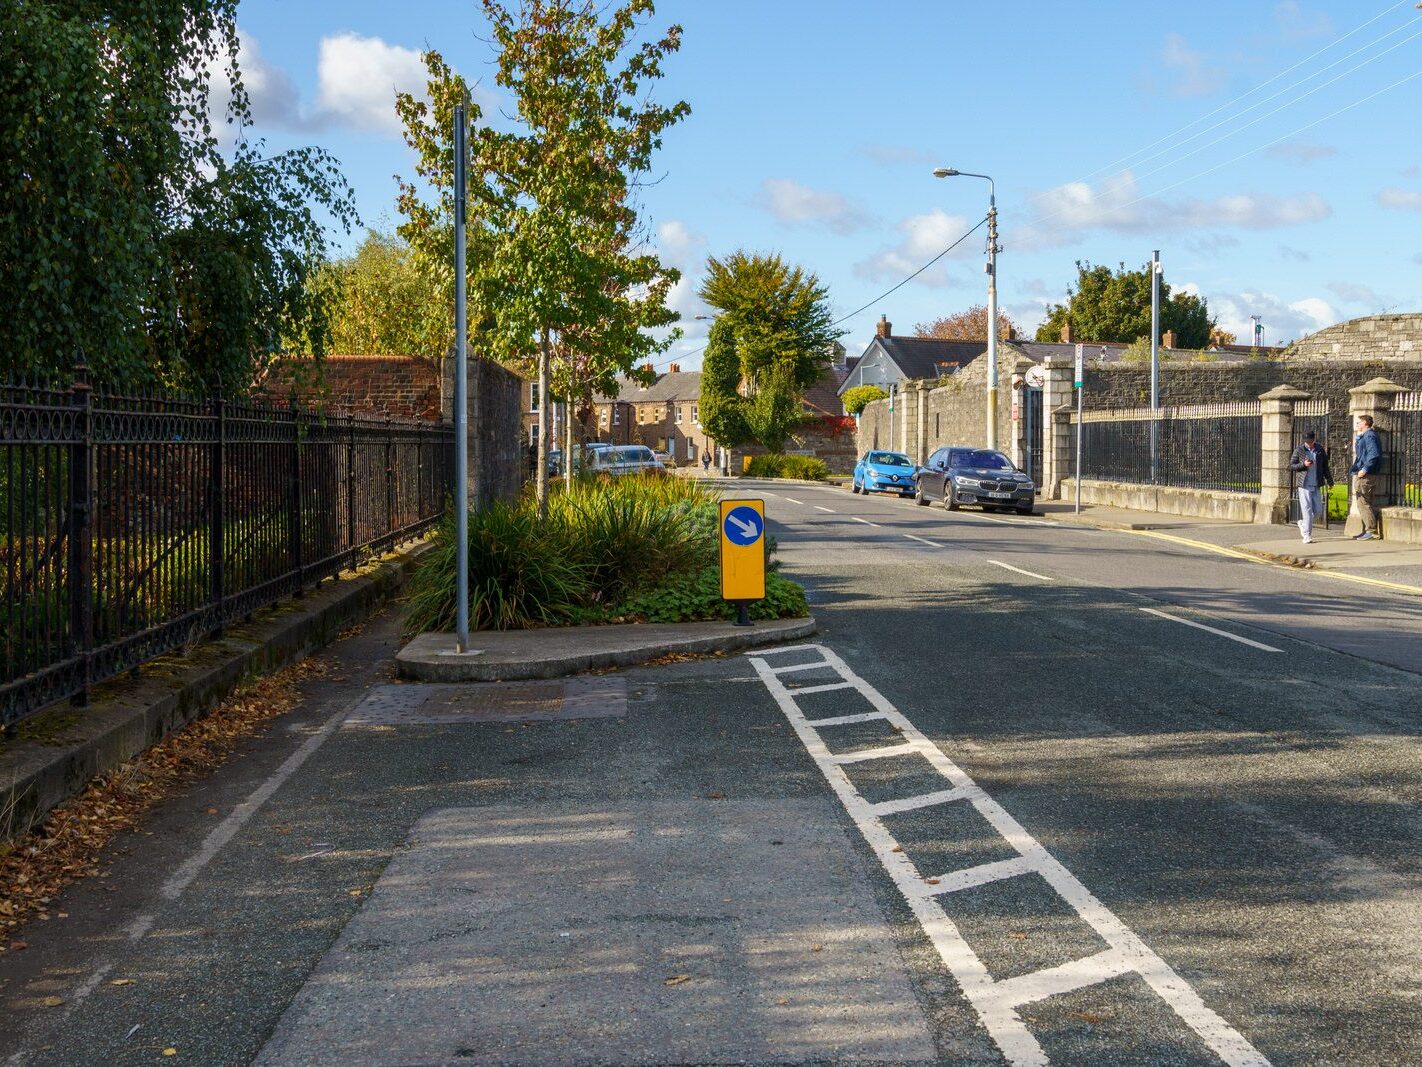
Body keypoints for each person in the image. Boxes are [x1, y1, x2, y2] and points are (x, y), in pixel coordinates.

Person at [1288, 430, 1332, 544]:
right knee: (1307, 510)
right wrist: (1304, 465)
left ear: (1314, 439)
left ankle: (1303, 523)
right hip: (1304, 485)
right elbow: (1291, 466)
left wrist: (1330, 481)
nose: (1309, 444)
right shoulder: (1299, 450)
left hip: (1316, 483)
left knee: (1318, 511)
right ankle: (1307, 535)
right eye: (1307, 442)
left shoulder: (1320, 450)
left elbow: (1325, 467)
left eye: (1311, 441)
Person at [1349, 413, 1382, 541]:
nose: (1357, 424)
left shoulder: (1369, 435)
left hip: (1366, 474)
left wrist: (1365, 469)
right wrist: (1358, 439)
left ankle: (1371, 531)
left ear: (1365, 423)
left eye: (1359, 422)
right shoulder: (1365, 436)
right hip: (1365, 472)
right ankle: (1368, 530)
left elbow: (1373, 454)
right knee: (1365, 502)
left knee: (1363, 502)